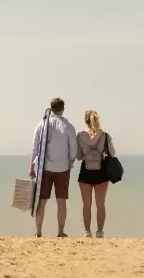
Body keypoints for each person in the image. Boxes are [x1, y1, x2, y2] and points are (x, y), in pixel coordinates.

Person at [29, 97, 79, 238]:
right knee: (61, 202)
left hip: (44, 168)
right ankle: (60, 232)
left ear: (50, 108)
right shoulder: (68, 126)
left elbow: (34, 149)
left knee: (41, 201)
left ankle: (38, 232)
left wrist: (31, 168)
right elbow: (73, 149)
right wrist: (70, 163)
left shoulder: (42, 125)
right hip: (63, 169)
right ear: (63, 109)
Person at [77, 109, 116, 238]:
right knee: (100, 204)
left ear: (85, 121)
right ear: (97, 120)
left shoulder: (80, 136)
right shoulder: (104, 135)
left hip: (86, 172)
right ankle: (99, 232)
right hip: (101, 172)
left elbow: (78, 156)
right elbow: (112, 153)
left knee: (86, 204)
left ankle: (87, 232)